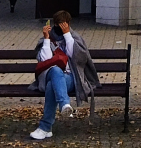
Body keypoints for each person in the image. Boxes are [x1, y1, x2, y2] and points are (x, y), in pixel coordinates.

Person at [29, 10, 101, 140]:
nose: (59, 28)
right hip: (49, 76)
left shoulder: (74, 37)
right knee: (55, 71)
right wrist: (46, 39)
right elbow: (45, 61)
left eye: (63, 25)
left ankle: (45, 128)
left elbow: (79, 58)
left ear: (68, 24)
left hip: (72, 78)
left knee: (53, 86)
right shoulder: (48, 38)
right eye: (58, 25)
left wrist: (67, 35)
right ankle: (64, 104)